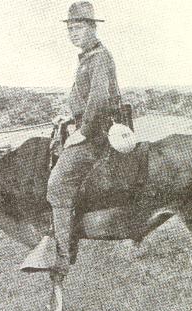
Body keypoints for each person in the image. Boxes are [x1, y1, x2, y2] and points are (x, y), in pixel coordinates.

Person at [22, 1, 121, 276]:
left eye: (78, 28)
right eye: (70, 29)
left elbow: (99, 99)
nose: (73, 34)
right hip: (87, 126)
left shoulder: (99, 57)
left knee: (56, 185)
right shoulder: (88, 57)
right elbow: (84, 99)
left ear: (92, 28)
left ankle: (61, 256)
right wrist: (68, 119)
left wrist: (83, 132)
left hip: (98, 134)